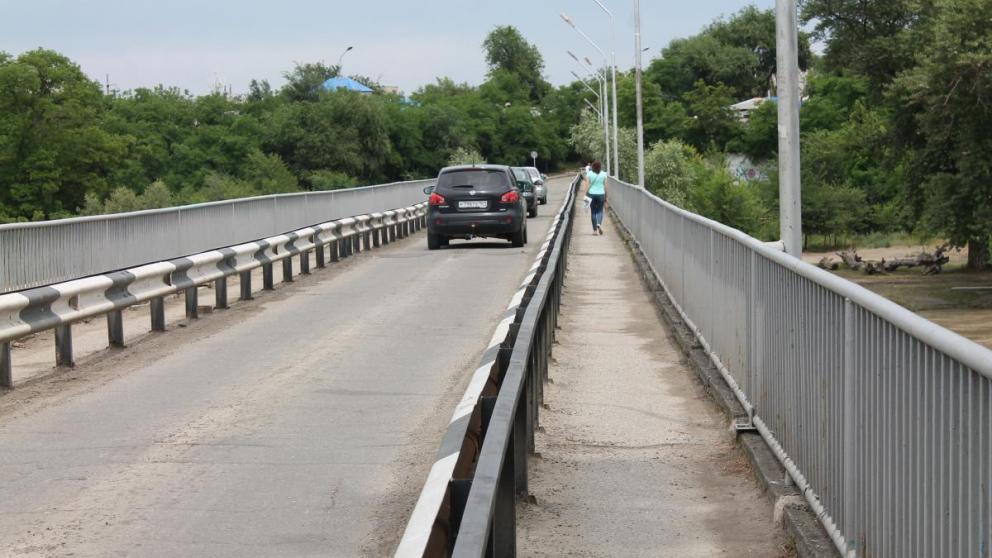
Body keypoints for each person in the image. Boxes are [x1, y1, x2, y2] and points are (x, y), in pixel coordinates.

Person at [585, 161, 607, 235]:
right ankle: (599, 224)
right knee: (600, 211)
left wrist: (586, 194)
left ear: (593, 167)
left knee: (593, 212)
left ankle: (594, 231)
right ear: (600, 167)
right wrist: (606, 195)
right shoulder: (604, 174)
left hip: (591, 194)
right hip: (601, 194)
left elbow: (587, 185)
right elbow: (605, 186)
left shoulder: (589, 174)